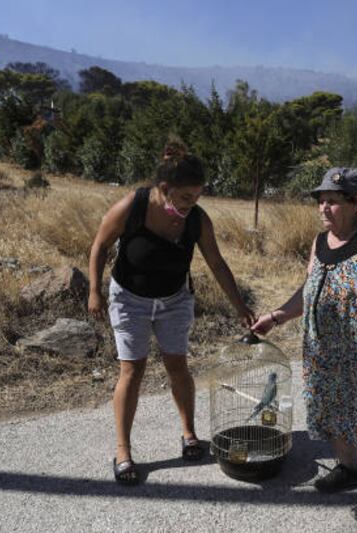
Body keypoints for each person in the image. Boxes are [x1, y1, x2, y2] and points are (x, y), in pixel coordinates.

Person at [251, 167, 357, 523]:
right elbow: (309, 288)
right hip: (321, 347)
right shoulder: (319, 242)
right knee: (329, 407)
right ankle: (348, 468)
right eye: (321, 201)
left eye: (332, 201)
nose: (323, 208)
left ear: (355, 202)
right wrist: (277, 316)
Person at [88, 138, 255, 486]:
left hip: (175, 299)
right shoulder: (131, 206)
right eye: (184, 198)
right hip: (130, 298)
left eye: (196, 198)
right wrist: (94, 291)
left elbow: (217, 263)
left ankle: (189, 434)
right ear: (164, 189)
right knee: (132, 370)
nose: (191, 205)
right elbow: (100, 245)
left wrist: (240, 307)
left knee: (177, 365)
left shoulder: (197, 219)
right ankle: (123, 451)